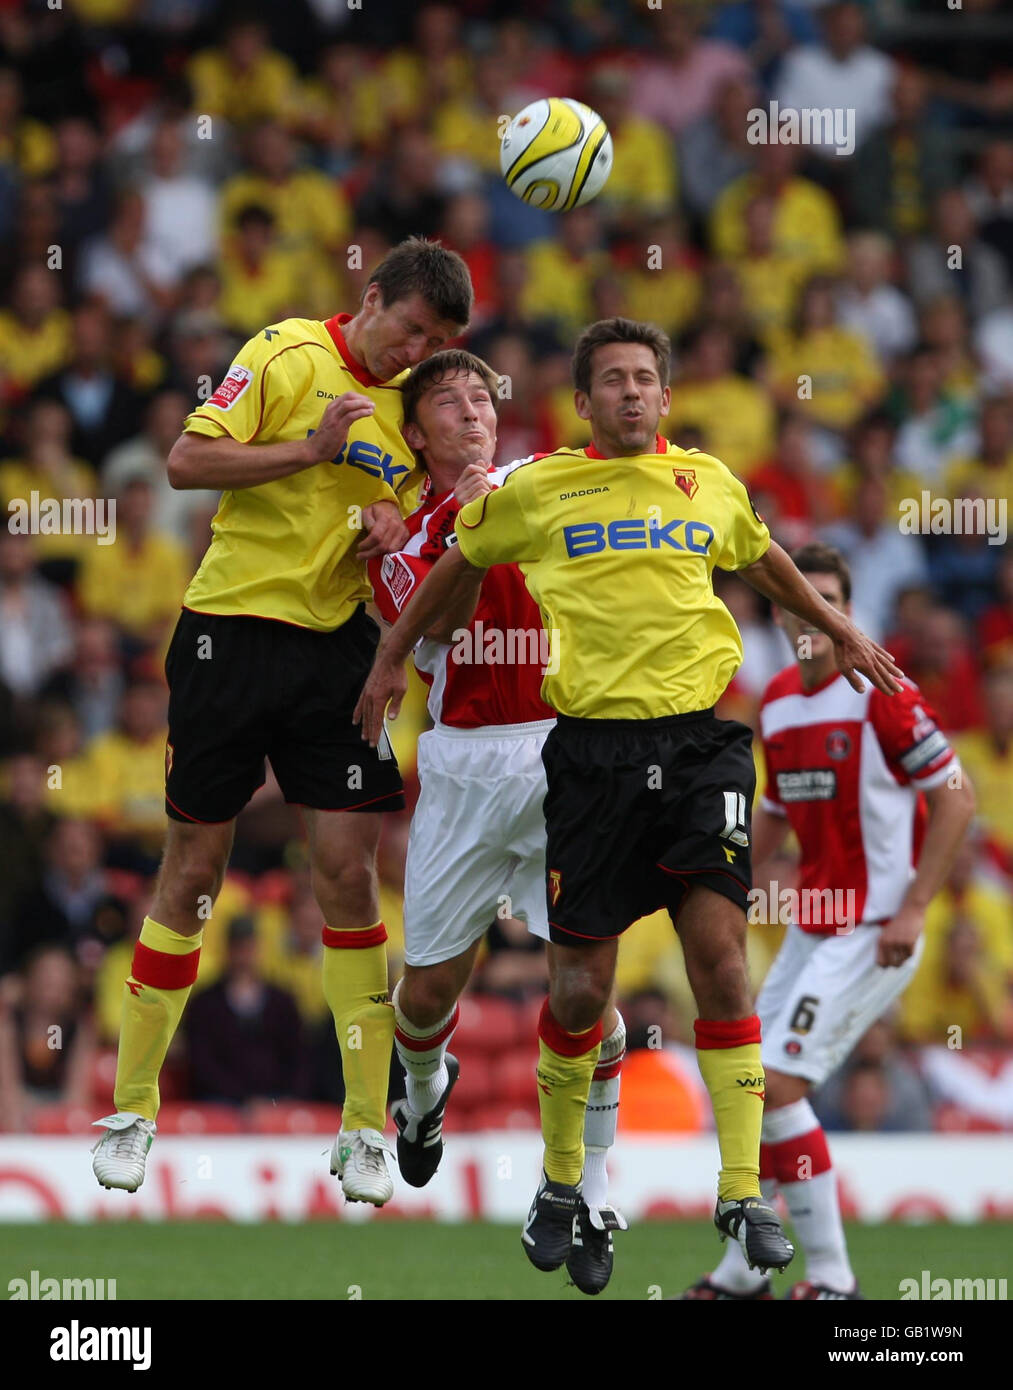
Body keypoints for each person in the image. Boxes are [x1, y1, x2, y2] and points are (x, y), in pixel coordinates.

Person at [355, 316, 902, 1282]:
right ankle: (436, 1092)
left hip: (682, 747)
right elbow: (437, 581)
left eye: (645, 378)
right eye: (611, 380)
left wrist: (836, 626)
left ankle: (685, 1194)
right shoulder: (514, 498)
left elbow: (763, 554)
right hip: (544, 758)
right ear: (583, 402)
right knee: (503, 990)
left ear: (664, 392)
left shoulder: (702, 481)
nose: (632, 392)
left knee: (715, 966)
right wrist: (394, 647)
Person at [91, 237, 473, 1206]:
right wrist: (309, 449)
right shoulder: (286, 352)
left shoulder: (413, 413)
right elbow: (184, 461)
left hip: (338, 652)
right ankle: (133, 1106)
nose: (415, 350)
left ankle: (359, 1129)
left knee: (345, 875)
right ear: (371, 295)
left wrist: (396, 525)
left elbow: (417, 542)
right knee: (193, 870)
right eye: (411, 327)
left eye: (437, 340)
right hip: (226, 632)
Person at [365, 347, 627, 1295]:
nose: (472, 410)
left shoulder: (539, 481)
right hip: (466, 765)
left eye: (481, 395)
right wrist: (463, 522)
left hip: (564, 749)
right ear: (417, 433)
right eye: (447, 401)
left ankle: (591, 1194)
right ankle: (425, 1100)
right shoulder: (399, 548)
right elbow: (436, 625)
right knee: (428, 995)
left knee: (587, 993)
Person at [685, 543, 973, 1300]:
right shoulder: (777, 698)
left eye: (833, 600)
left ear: (846, 613)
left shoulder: (880, 689)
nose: (817, 614)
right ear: (784, 613)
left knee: (775, 1085)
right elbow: (775, 813)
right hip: (813, 928)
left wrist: (913, 908)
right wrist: (729, 882)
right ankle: (742, 1273)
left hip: (872, 929)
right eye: (802, 599)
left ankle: (835, 1281)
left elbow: (957, 797)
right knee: (749, 1082)